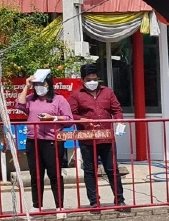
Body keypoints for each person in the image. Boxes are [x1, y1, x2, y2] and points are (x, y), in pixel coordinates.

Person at [68, 63, 126, 208]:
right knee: (89, 171)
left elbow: (117, 110)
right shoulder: (76, 95)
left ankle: (119, 200)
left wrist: (119, 123)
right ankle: (94, 202)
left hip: (107, 137)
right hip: (87, 138)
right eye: (88, 79)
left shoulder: (107, 92)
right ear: (82, 80)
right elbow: (71, 115)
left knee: (112, 169)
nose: (92, 82)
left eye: (94, 79)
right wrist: (83, 121)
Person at [15, 69, 71, 210]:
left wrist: (53, 118)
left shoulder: (59, 99)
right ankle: (37, 206)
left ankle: (60, 206)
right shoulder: (31, 99)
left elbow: (69, 119)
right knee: (36, 174)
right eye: (36, 84)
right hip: (33, 141)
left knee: (54, 174)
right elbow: (19, 104)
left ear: (49, 84)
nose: (39, 86)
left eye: (42, 83)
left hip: (52, 141)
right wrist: (26, 86)